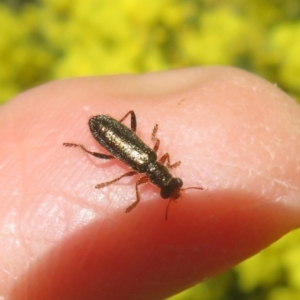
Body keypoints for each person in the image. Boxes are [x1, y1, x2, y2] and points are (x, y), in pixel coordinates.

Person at [1, 67, 300, 299]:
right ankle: (79, 148)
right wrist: (126, 191)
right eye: (172, 183)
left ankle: (88, 146)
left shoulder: (151, 160)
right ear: (164, 176)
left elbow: (134, 174)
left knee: (118, 149)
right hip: (106, 130)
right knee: (108, 153)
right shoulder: (147, 165)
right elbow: (128, 178)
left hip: (112, 134)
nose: (172, 186)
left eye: (170, 184)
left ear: (164, 177)